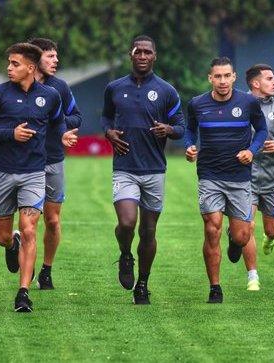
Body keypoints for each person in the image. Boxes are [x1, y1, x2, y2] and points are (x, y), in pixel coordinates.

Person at [0, 42, 78, 312]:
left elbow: (58, 121)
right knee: (2, 236)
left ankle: (23, 293)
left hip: (34, 172)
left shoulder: (51, 95)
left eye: (15, 64)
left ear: (30, 68)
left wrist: (63, 134)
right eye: (9, 63)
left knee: (31, 228)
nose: (9, 68)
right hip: (2, 171)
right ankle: (12, 244)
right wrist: (11, 134)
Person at [101, 35, 185, 305]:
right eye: (138, 51)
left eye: (148, 52)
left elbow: (181, 126)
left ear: (154, 56)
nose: (142, 56)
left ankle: (143, 284)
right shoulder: (114, 88)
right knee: (127, 223)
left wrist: (169, 129)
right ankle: (126, 255)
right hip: (124, 167)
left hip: (154, 170)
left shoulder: (166, 90)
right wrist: (108, 132)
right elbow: (105, 116)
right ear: (131, 54)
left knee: (148, 231)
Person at [185, 57, 267, 303]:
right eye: (217, 76)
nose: (222, 81)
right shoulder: (197, 104)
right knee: (212, 228)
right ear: (210, 78)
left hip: (239, 177)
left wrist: (252, 150)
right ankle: (215, 288)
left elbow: (262, 130)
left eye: (226, 76)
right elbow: (189, 130)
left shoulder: (249, 102)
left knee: (242, 236)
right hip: (209, 175)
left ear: (234, 77)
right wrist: (189, 145)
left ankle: (235, 240)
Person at [234, 64, 274, 291]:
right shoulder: (240, 106)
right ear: (255, 83)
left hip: (272, 181)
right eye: (270, 78)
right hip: (245, 179)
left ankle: (269, 239)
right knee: (247, 227)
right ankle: (253, 276)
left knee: (273, 230)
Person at [28, 38, 83, 290]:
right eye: (50, 56)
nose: (56, 61)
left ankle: (46, 271)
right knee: (30, 222)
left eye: (55, 56)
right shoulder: (17, 86)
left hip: (53, 161)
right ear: (36, 58)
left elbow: (76, 116)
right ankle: (24, 263)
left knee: (52, 220)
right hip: (25, 163)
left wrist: (54, 118)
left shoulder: (59, 87)